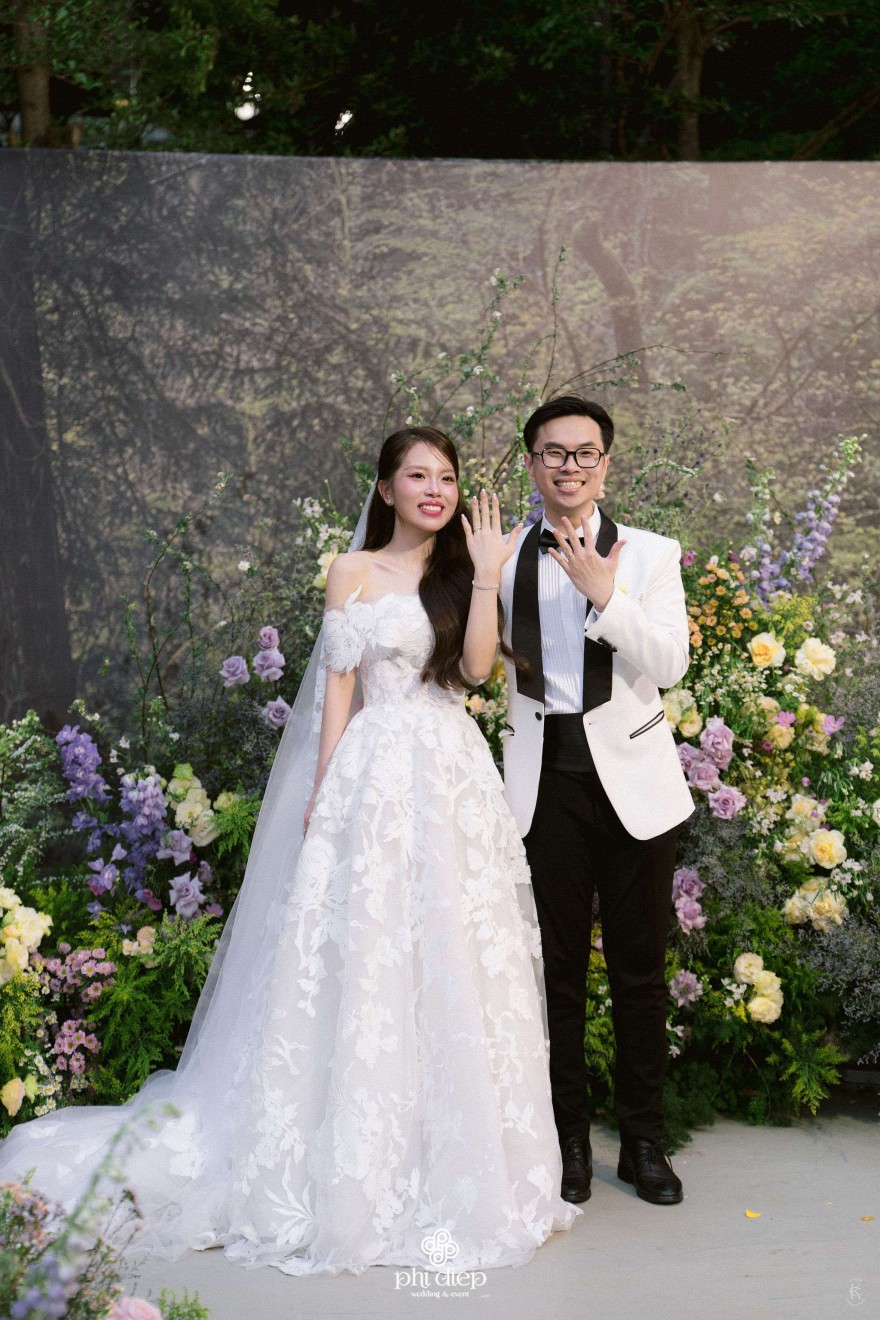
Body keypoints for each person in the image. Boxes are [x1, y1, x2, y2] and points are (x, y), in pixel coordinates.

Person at [0, 426, 580, 1275]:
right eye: (417, 475)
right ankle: (351, 1160)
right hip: (372, 776)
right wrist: (323, 789)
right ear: (384, 488)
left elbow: (476, 672)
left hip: (450, 777)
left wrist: (488, 575)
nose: (435, 489)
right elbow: (338, 687)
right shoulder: (352, 571)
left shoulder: (463, 574)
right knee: (365, 950)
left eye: (447, 477)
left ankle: (452, 1158)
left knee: (454, 950)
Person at [498, 396, 695, 1208]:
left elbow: (672, 663)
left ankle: (644, 1141)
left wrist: (605, 597)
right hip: (541, 784)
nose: (569, 466)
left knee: (640, 973)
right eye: (554, 452)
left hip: (634, 784)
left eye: (584, 453)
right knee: (556, 974)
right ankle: (567, 1141)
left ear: (605, 465)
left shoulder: (651, 554)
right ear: (532, 463)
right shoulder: (499, 555)